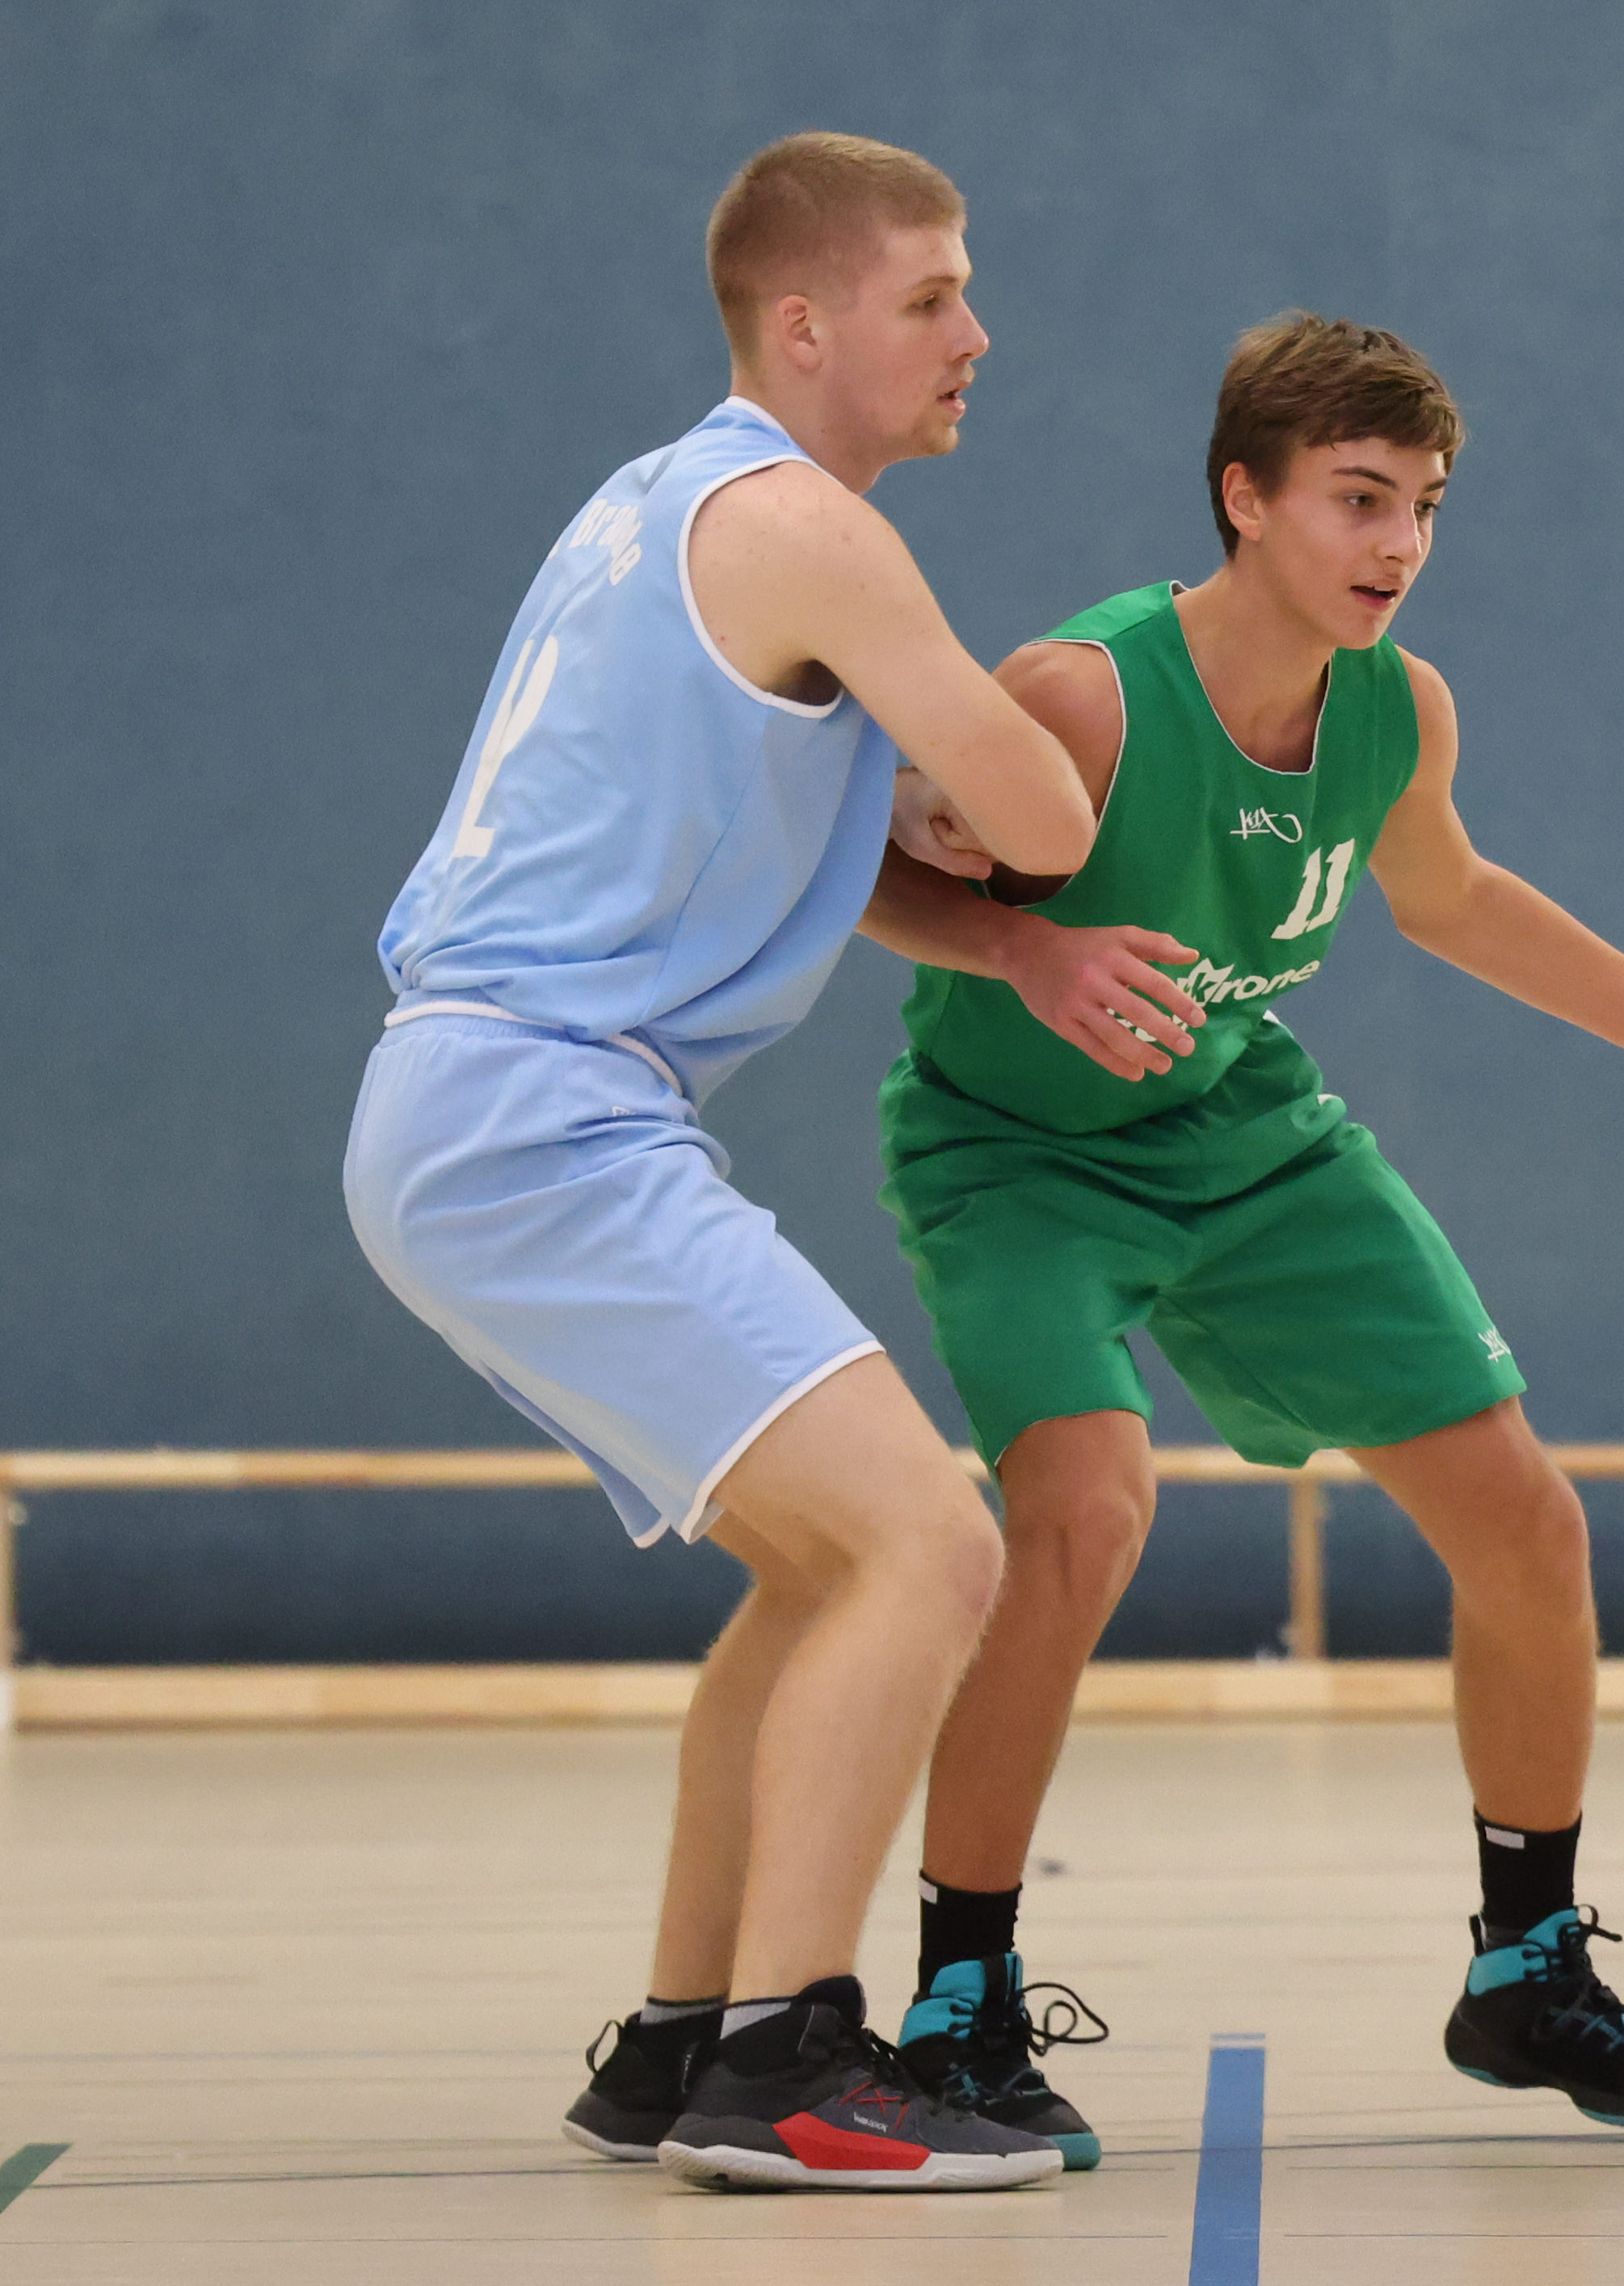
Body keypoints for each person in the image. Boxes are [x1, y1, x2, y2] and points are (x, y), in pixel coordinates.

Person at [855, 313, 1624, 2158]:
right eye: (1357, 498)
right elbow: (862, 871)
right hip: (1017, 1152)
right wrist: (1021, 944)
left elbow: (1455, 896)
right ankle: (957, 2000)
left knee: (1527, 1520)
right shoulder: (1083, 696)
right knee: (1086, 1513)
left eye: (1421, 504)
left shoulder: (1398, 710)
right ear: (1245, 497)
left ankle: (1527, 1970)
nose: (1399, 541)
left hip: (1243, 1128)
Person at [346, 134, 1107, 2193]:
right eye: (932, 296)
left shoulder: (660, 503)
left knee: (827, 1562)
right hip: (543, 1116)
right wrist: (984, 783)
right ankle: (790, 2056)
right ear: (804, 323)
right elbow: (1048, 809)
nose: (976, 332)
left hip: (474, 1109)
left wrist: (956, 872)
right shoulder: (811, 529)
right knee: (935, 1545)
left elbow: (824, 835)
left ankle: (682, 2031)